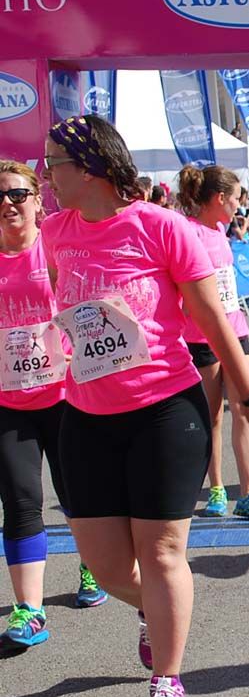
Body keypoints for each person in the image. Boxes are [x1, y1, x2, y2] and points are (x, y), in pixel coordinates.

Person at [40, 115, 249, 697]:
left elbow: (211, 317)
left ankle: (168, 681)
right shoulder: (55, 232)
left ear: (90, 166)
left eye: (55, 165)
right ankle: (157, 611)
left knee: (163, 552)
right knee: (106, 563)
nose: (47, 177)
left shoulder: (162, 226)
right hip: (86, 416)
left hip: (165, 411)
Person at [0, 160, 109, 653]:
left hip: (65, 394)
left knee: (77, 495)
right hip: (7, 401)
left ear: (37, 199)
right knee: (20, 500)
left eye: (18, 194)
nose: (8, 204)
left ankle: (93, 567)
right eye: (0, 197)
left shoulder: (57, 247)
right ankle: (30, 609)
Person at [176, 165, 249, 519]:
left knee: (244, 406)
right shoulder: (187, 232)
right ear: (219, 198)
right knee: (212, 417)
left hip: (236, 328)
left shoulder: (221, 230)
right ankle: (217, 490)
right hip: (201, 335)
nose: (241, 205)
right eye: (237, 197)